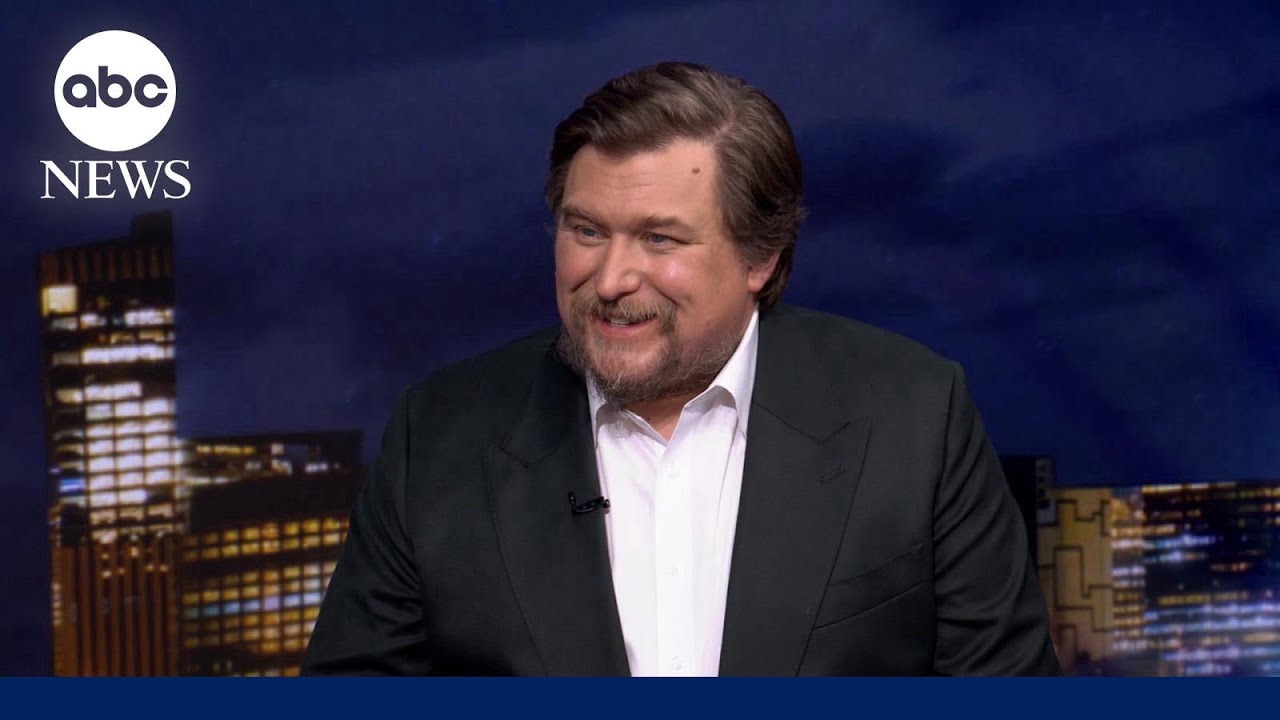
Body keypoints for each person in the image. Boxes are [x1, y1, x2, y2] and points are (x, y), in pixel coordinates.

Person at [302, 61, 1060, 676]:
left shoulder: (916, 416)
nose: (610, 280)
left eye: (659, 239)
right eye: (585, 230)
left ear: (761, 257)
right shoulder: (437, 435)